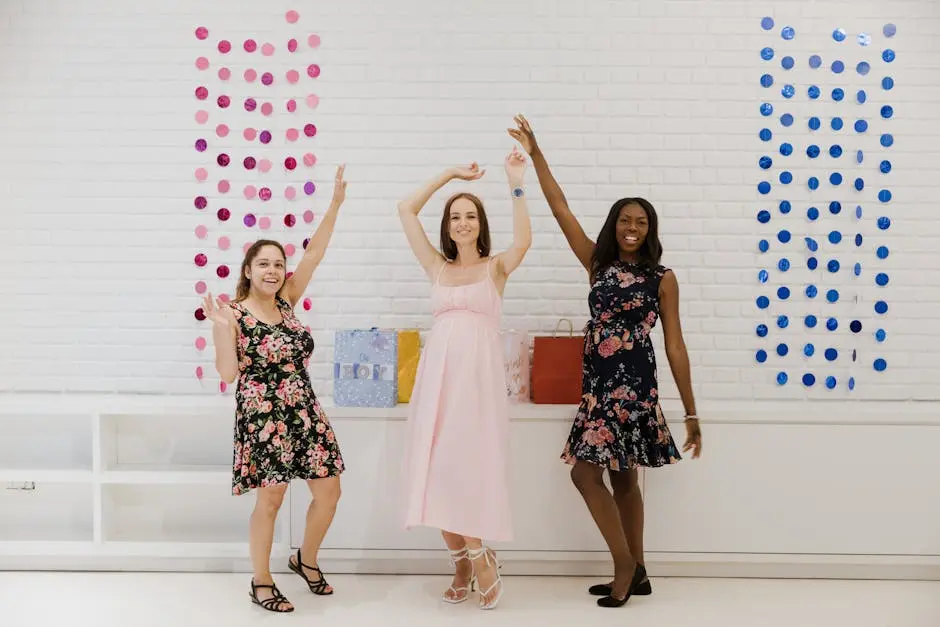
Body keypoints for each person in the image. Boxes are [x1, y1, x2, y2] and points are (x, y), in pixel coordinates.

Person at [509, 115, 703, 608]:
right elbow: (560, 207)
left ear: (650, 229)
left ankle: (627, 567)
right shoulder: (597, 262)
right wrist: (536, 154)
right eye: (625, 220)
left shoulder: (663, 278)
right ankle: (633, 569)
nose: (632, 228)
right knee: (597, 474)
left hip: (636, 387)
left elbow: (676, 346)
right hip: (599, 388)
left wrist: (692, 412)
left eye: (641, 222)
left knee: (616, 475)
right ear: (614, 226)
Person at [202, 165, 349, 613]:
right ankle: (261, 581)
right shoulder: (234, 313)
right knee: (271, 498)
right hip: (262, 414)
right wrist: (223, 330)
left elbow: (316, 254)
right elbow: (228, 374)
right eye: (263, 263)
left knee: (329, 492)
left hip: (303, 408)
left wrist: (336, 204)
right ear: (248, 270)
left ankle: (305, 559)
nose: (273, 270)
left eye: (278, 263)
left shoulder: (286, 301)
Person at [398, 144, 532, 610]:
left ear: (480, 224)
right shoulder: (437, 266)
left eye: (470, 216)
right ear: (447, 225)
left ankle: (479, 558)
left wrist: (515, 181)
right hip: (437, 381)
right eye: (455, 216)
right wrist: (450, 174)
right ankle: (460, 561)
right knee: (436, 466)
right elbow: (405, 208)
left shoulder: (495, 269)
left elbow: (524, 242)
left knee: (465, 466)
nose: (462, 223)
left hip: (475, 384)